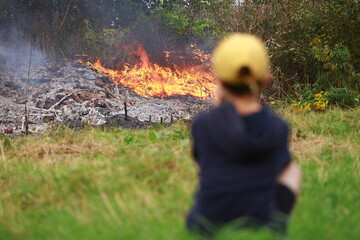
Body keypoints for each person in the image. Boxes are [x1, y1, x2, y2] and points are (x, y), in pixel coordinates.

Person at [186, 33, 301, 237]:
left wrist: (219, 107)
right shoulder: (278, 127)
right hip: (260, 219)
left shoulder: (203, 124)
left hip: (206, 223)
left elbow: (201, 161)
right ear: (266, 79)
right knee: (291, 170)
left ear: (219, 79)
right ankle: (276, 224)